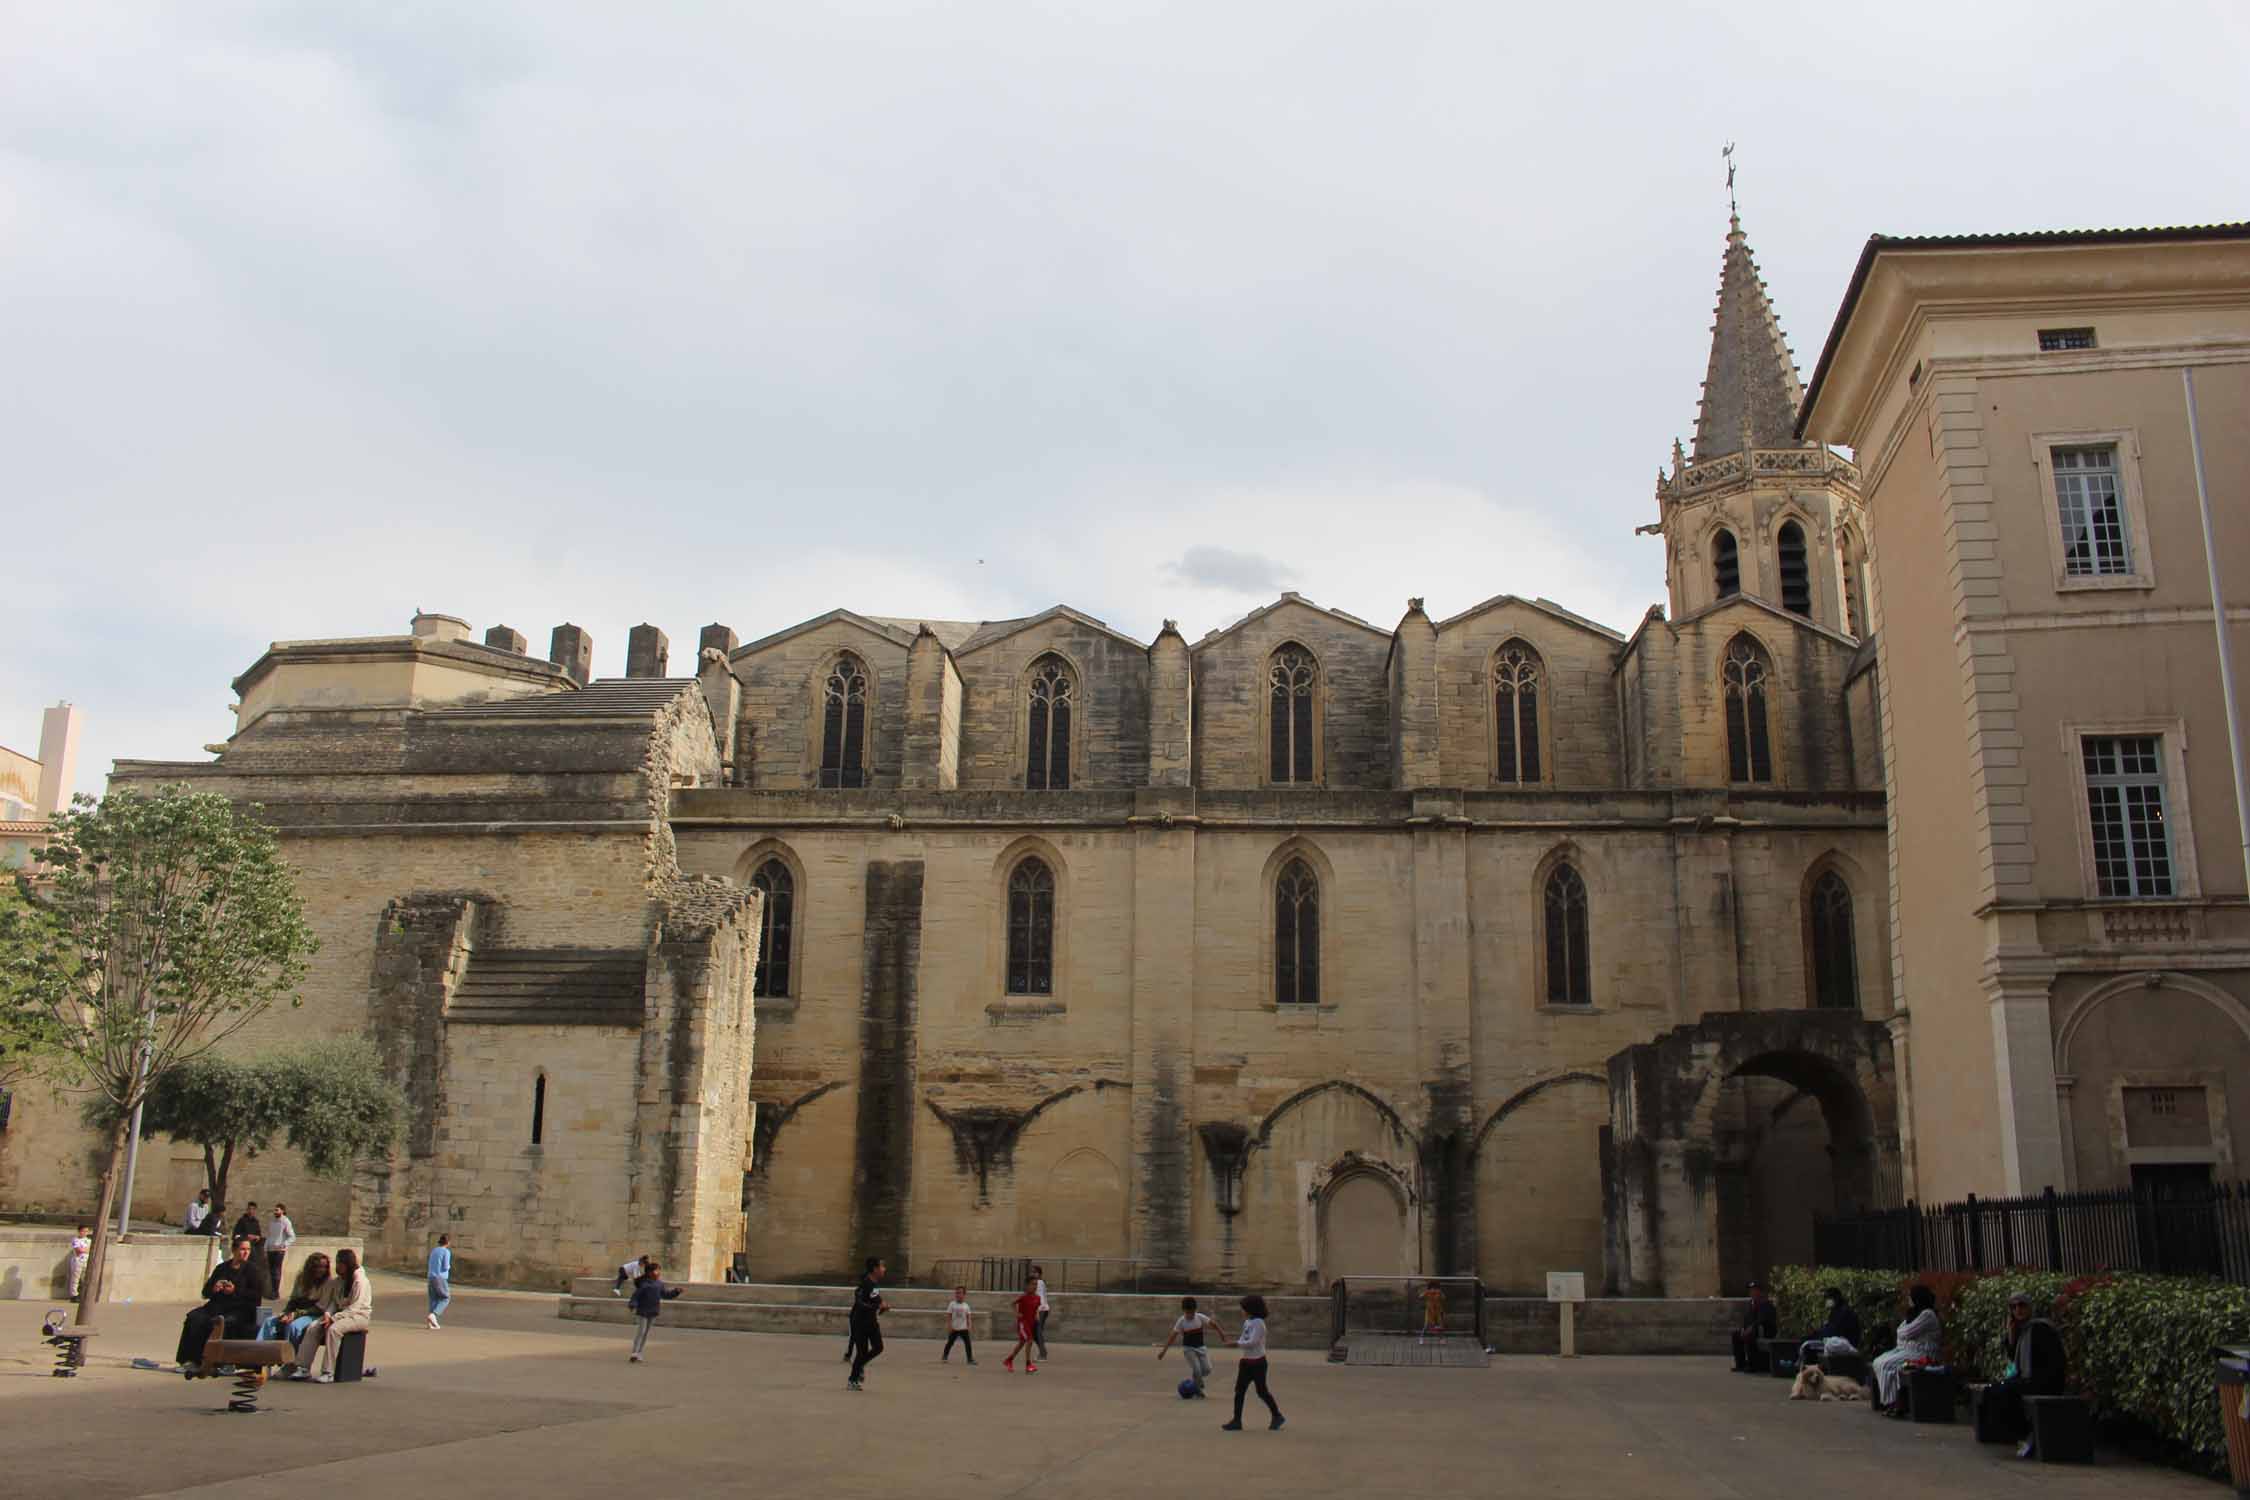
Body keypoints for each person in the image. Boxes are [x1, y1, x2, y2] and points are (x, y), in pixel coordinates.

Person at [1981, 1291, 2068, 1458]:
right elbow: (2015, 1361)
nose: (2018, 1310)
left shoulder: (2041, 1328)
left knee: (2001, 1392)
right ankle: (2018, 1434)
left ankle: (2024, 1434)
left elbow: (2048, 1365)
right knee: (1991, 1390)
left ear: (2030, 1307)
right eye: (2013, 1307)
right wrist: (2012, 1336)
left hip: (2044, 1381)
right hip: (2029, 1379)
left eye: (2022, 1305)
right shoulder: (2023, 1330)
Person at [175, 1236, 269, 1368]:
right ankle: (191, 1360)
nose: (246, 1252)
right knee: (194, 1318)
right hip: (217, 1306)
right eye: (242, 1249)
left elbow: (256, 1296)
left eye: (248, 1249)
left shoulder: (252, 1270)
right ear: (234, 1250)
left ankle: (221, 1362)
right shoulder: (222, 1268)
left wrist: (235, 1291)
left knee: (224, 1322)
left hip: (241, 1310)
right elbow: (205, 1292)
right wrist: (215, 1287)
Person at [294, 1247, 371, 1383]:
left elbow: (355, 1307)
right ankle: (303, 1367)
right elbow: (334, 1303)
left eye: (340, 1263)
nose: (338, 1266)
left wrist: (334, 1319)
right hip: (340, 1314)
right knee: (313, 1327)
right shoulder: (339, 1281)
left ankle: (328, 1371)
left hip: (359, 1316)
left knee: (334, 1330)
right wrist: (328, 1315)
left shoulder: (360, 1281)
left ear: (347, 1264)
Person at [1872, 1283, 1944, 1414]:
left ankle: (1892, 1403)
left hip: (1924, 1356)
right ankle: (1891, 1401)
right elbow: (1901, 1333)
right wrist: (1903, 1333)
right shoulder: (1914, 1313)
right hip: (1907, 1351)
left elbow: (1905, 1333)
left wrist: (1903, 1333)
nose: (1909, 1300)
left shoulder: (1928, 1314)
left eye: (1911, 1297)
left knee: (1887, 1365)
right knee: (1878, 1361)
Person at [1221, 1294, 1284, 1432]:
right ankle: (1237, 1420)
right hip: (1246, 1362)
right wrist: (1236, 1342)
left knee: (1262, 1391)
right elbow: (1244, 1338)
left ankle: (1277, 1415)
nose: (1241, 1311)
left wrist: (1236, 1344)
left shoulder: (1259, 1323)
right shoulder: (1248, 1322)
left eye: (1243, 1308)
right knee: (1239, 1391)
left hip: (1258, 1363)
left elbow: (1253, 1342)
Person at [261, 1252, 333, 1359]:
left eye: (324, 1267)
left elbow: (319, 1308)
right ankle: (261, 1359)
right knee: (269, 1322)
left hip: (314, 1314)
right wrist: (286, 1313)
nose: (321, 1270)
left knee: (294, 1326)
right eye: (318, 1266)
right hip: (296, 1311)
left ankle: (290, 1361)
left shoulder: (329, 1282)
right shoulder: (301, 1277)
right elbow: (293, 1299)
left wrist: (296, 1314)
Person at [1159, 1295, 1227, 1398]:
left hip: (1201, 1347)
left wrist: (1222, 1335)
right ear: (1183, 1310)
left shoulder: (1200, 1317)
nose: (1190, 1315)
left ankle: (1195, 1383)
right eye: (1187, 1313)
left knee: (1207, 1369)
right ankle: (1198, 1388)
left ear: (1195, 1310)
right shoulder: (1181, 1321)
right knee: (1197, 1369)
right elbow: (1172, 1336)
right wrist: (1164, 1351)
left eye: (1192, 1313)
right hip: (1188, 1349)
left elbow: (1214, 1325)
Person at [627, 1259, 684, 1362]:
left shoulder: (659, 1284)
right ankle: (634, 1353)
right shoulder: (644, 1284)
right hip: (643, 1311)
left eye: (659, 1270)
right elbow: (636, 1295)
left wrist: (676, 1292)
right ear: (649, 1273)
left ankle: (640, 1352)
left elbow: (666, 1295)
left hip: (653, 1311)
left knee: (646, 1333)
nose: (658, 1273)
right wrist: (632, 1304)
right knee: (641, 1331)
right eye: (656, 1270)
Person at [1798, 1286, 1863, 1370]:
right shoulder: (1836, 1311)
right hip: (1835, 1340)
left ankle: (1808, 1370)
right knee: (1806, 1339)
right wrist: (1816, 1333)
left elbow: (1833, 1332)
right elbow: (1829, 1328)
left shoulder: (1843, 1312)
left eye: (1828, 1298)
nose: (1826, 1301)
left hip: (1843, 1344)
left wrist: (1817, 1335)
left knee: (1807, 1345)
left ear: (1835, 1298)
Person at [847, 1257, 888, 1390]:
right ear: (875, 1269)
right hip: (860, 1322)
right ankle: (852, 1380)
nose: (884, 1269)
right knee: (862, 1353)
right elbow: (859, 1301)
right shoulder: (865, 1283)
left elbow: (875, 1299)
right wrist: (877, 1306)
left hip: (871, 1321)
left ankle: (859, 1366)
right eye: (882, 1266)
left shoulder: (875, 1284)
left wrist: (882, 1306)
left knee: (878, 1347)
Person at [1729, 1280, 1778, 1371]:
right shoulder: (1751, 1304)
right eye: (1751, 1291)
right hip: (1753, 1329)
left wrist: (1751, 1328)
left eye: (1755, 1290)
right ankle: (1740, 1364)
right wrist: (1743, 1329)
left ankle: (1752, 1365)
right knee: (1736, 1334)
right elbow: (1746, 1319)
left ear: (1760, 1292)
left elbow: (1762, 1320)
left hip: (1764, 1331)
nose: (1753, 1293)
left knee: (1751, 1333)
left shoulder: (1766, 1304)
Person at [1002, 1274, 1041, 1374]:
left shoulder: (1037, 1298)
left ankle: (1009, 1360)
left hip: (1031, 1323)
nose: (1035, 1286)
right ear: (1027, 1285)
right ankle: (1028, 1365)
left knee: (1022, 1343)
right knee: (1030, 1340)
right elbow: (1012, 1304)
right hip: (1023, 1323)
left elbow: (1036, 1308)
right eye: (1032, 1284)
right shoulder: (1023, 1297)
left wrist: (1037, 1315)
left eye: (1036, 1284)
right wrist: (1016, 1313)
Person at [264, 1203, 296, 1292]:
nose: (275, 1212)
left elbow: (292, 1236)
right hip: (270, 1250)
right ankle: (272, 1291)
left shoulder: (286, 1221)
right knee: (271, 1272)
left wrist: (284, 1244)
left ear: (282, 1211)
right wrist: (265, 1249)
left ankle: (275, 1292)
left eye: (277, 1210)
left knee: (276, 1271)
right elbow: (269, 1236)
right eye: (275, 1210)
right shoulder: (272, 1222)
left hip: (279, 1251)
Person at [942, 1285, 975, 1364]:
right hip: (955, 1328)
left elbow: (968, 1317)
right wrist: (949, 1325)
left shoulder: (966, 1306)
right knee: (950, 1343)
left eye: (960, 1293)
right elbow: (949, 1316)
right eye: (956, 1293)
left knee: (968, 1344)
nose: (958, 1295)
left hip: (963, 1328)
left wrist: (969, 1325)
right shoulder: (952, 1304)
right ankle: (945, 1356)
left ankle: (970, 1359)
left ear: (964, 1294)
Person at [427, 1234, 453, 1329]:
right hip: (440, 1278)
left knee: (433, 1299)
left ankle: (431, 1322)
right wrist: (450, 1266)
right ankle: (434, 1315)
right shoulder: (446, 1251)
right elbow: (446, 1266)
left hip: (431, 1277)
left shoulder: (434, 1250)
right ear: (448, 1242)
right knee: (446, 1298)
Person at [1031, 1264, 1051, 1360]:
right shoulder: (1039, 1282)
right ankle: (1043, 1352)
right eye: (1032, 1272)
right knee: (1035, 1333)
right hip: (1041, 1309)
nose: (1033, 1274)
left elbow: (1038, 1298)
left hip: (1041, 1310)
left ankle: (1043, 1354)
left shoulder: (1038, 1282)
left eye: (1035, 1272)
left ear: (1039, 1273)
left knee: (1037, 1332)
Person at [66, 1224, 90, 1300]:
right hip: (77, 1261)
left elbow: (91, 1249)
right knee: (75, 1278)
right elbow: (79, 1251)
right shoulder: (75, 1240)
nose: (85, 1233)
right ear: (79, 1231)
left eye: (86, 1231)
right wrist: (86, 1250)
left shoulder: (89, 1240)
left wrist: (85, 1250)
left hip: (86, 1261)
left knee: (85, 1279)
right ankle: (74, 1295)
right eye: (83, 1231)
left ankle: (84, 1294)